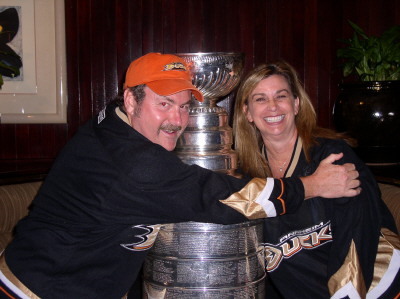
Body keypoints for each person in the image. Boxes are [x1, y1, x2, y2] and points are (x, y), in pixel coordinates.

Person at [0, 53, 360, 299]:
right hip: (39, 289)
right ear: (131, 100)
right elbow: (227, 201)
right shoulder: (136, 165)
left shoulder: (112, 122)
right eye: (164, 103)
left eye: (184, 106)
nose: (176, 119)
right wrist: (312, 186)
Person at [233, 60, 400, 299]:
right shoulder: (246, 175)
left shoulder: (333, 156)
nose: (272, 107)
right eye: (260, 99)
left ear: (296, 104)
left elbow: (358, 235)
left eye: (281, 96)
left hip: (376, 288)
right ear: (247, 113)